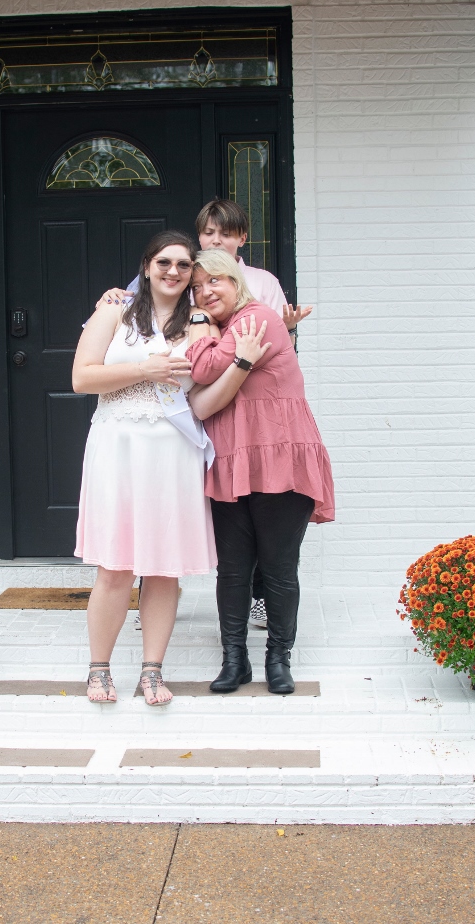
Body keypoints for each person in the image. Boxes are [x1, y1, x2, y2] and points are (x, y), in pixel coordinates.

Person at [72, 232, 268, 706]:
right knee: (115, 566)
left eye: (184, 266)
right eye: (164, 262)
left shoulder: (199, 322)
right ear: (146, 265)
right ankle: (99, 669)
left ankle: (152, 671)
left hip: (173, 452)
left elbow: (207, 384)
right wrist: (145, 370)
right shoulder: (115, 311)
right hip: (118, 446)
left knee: (163, 569)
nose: (174, 272)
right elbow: (82, 377)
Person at [99, 198, 313, 629]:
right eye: (209, 232)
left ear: (242, 239)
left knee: (260, 523)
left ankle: (256, 605)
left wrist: (279, 330)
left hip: (247, 409)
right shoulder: (181, 274)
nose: (217, 239)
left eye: (226, 232)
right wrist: (113, 298)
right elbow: (137, 304)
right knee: (161, 514)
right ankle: (154, 594)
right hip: (202, 415)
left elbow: (261, 336)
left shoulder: (261, 283)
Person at [185, 250, 335, 695]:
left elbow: (204, 367)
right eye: (196, 287)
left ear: (235, 280)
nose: (205, 291)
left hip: (280, 458)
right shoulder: (228, 329)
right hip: (233, 460)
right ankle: (235, 660)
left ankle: (278, 659)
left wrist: (198, 324)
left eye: (215, 281)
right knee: (232, 570)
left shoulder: (259, 317)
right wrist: (209, 328)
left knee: (279, 570)